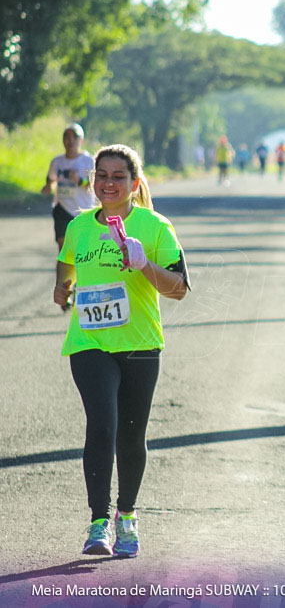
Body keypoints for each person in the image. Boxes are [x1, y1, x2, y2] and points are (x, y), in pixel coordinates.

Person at [52, 144, 189, 558]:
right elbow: (66, 266)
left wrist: (145, 264)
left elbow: (180, 288)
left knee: (131, 434)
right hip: (90, 342)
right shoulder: (79, 227)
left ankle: (126, 516)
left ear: (134, 183)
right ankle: (98, 522)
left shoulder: (155, 226)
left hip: (141, 345)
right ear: (92, 180)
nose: (109, 183)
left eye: (118, 177)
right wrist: (63, 288)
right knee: (102, 424)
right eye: (102, 175)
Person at [41, 123, 96, 254]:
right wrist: (48, 186)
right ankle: (64, 275)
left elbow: (95, 184)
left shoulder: (89, 161)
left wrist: (80, 181)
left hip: (83, 211)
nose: (70, 141)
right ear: (63, 140)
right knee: (63, 249)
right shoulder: (57, 161)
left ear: (81, 140)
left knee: (82, 250)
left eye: (74, 137)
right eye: (67, 137)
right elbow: (51, 178)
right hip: (62, 208)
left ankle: (79, 274)